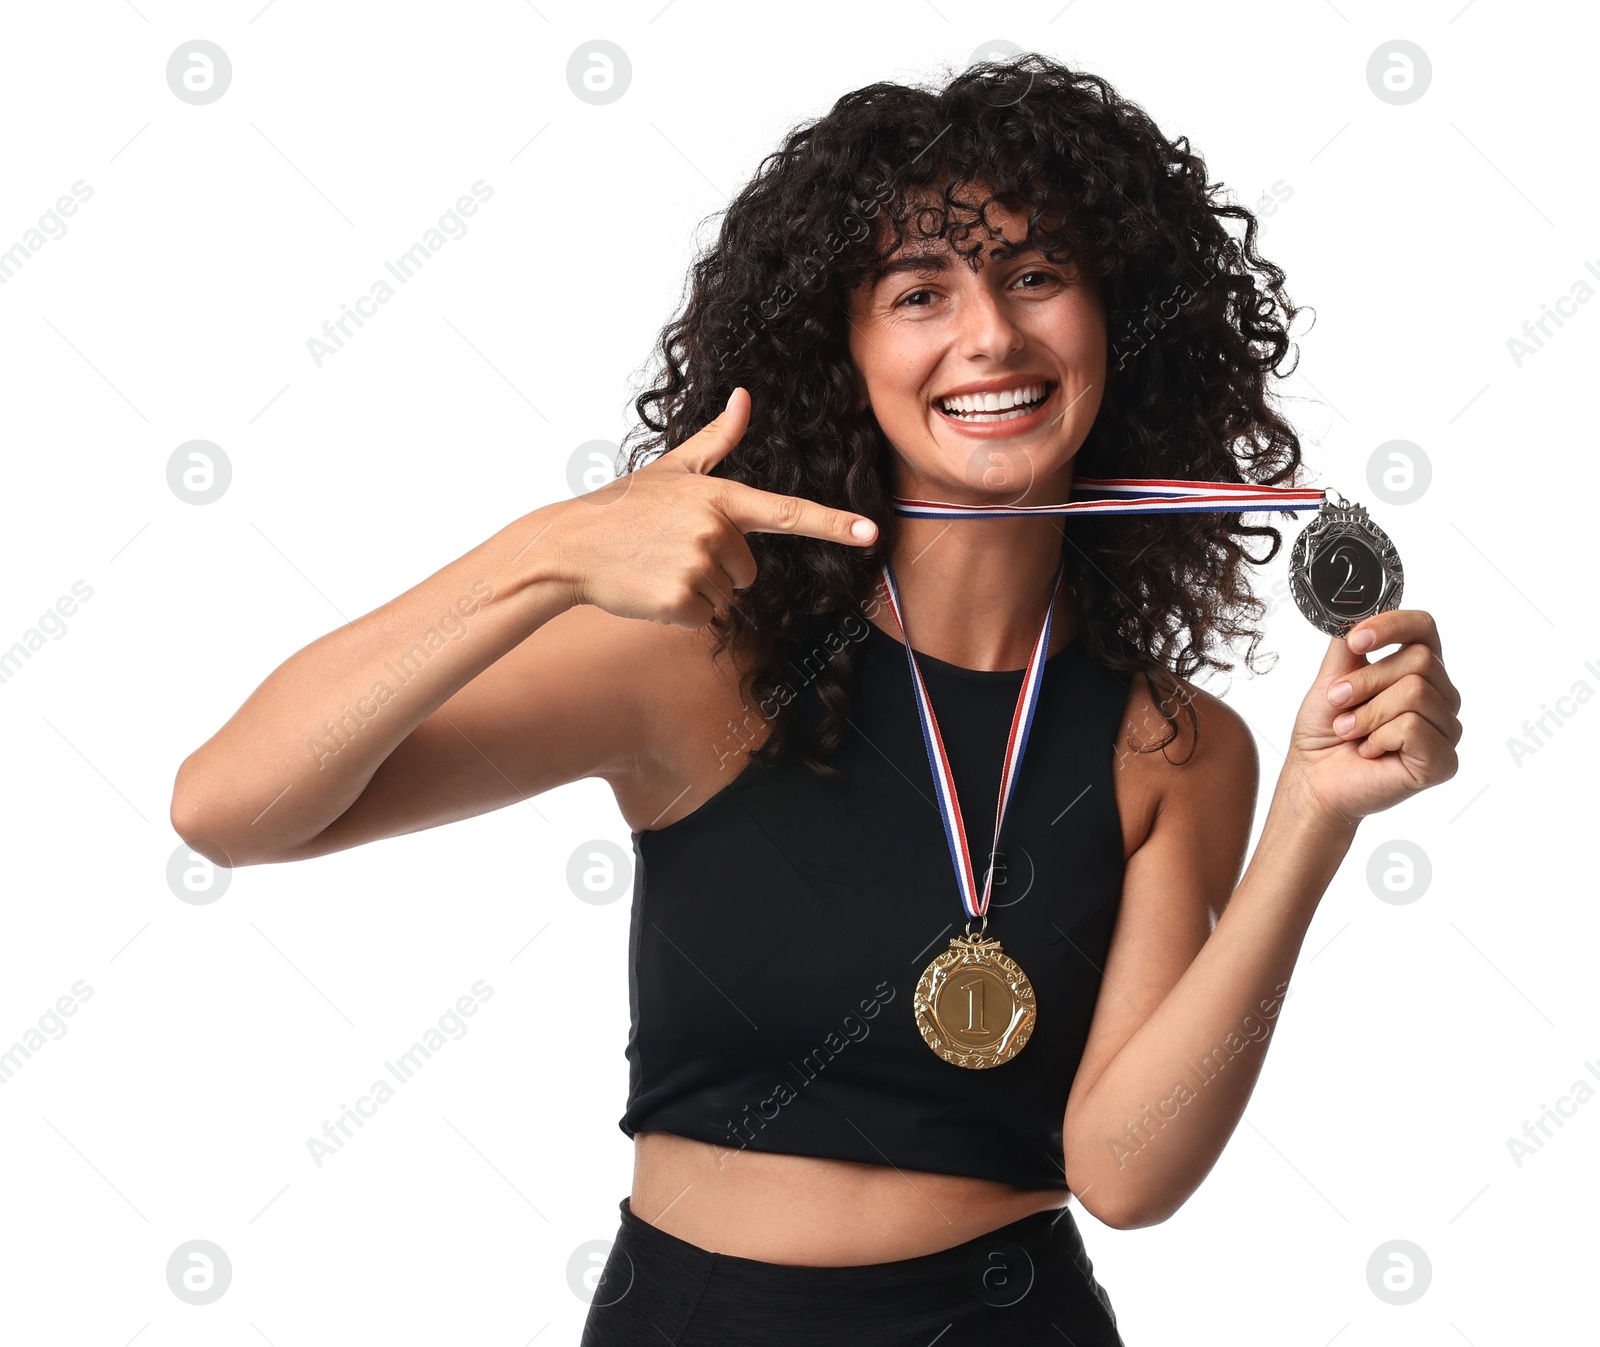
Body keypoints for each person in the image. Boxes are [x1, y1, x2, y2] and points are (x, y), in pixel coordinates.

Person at [170, 54, 1463, 1346]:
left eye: (1036, 275)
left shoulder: (1172, 747)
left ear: (1117, 322)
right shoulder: (695, 665)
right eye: (919, 292)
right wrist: (549, 552)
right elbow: (231, 809)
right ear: (840, 350)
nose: (992, 336)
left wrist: (1316, 813)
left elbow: (1124, 1177)